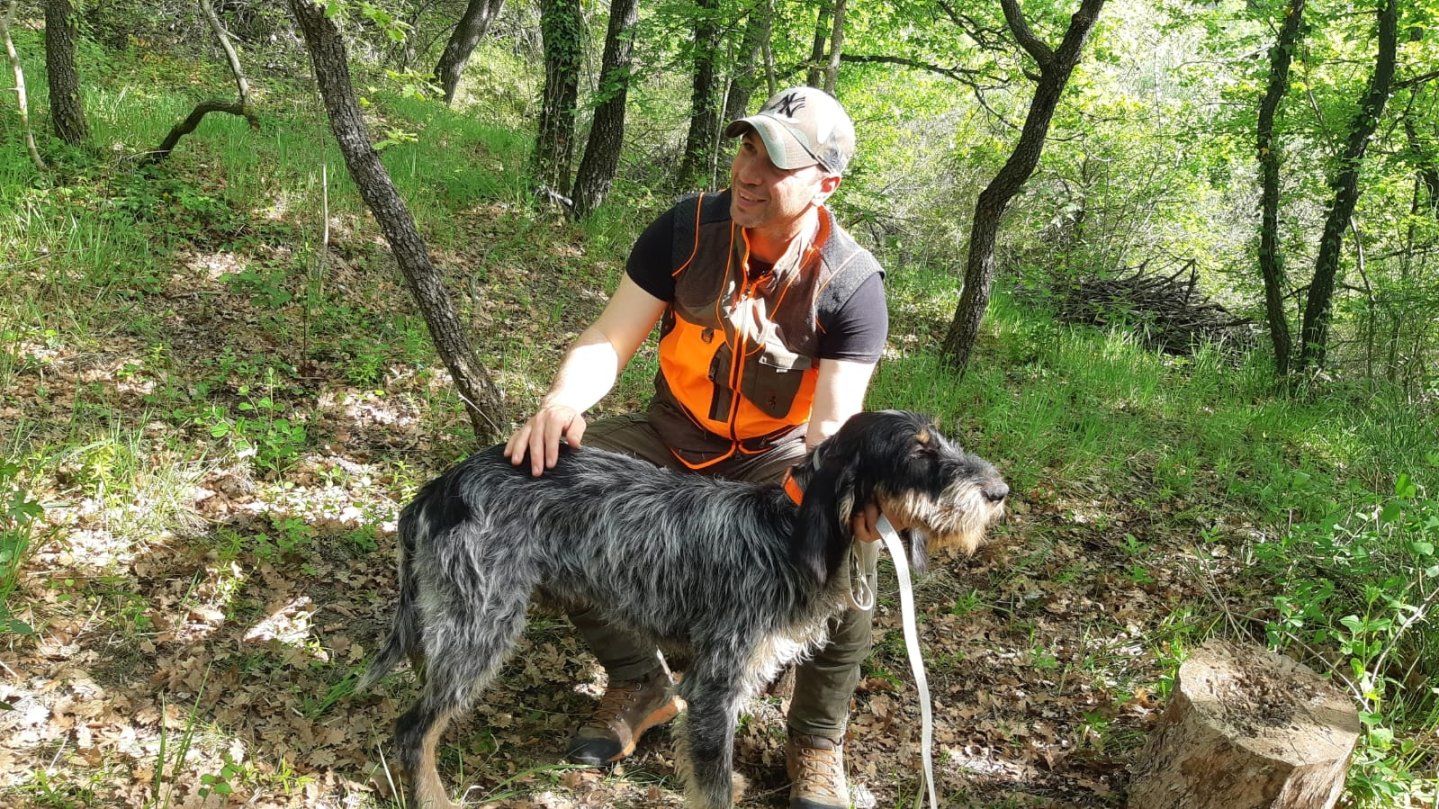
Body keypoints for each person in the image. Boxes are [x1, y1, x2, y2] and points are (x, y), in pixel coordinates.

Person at [505, 86, 888, 809]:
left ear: (824, 184)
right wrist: (561, 401)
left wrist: (839, 496)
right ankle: (639, 681)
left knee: (848, 548)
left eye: (776, 162)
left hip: (773, 457)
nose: (748, 172)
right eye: (747, 147)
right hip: (669, 433)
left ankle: (814, 741)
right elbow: (609, 336)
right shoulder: (684, 230)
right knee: (548, 483)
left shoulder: (851, 282)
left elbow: (833, 424)